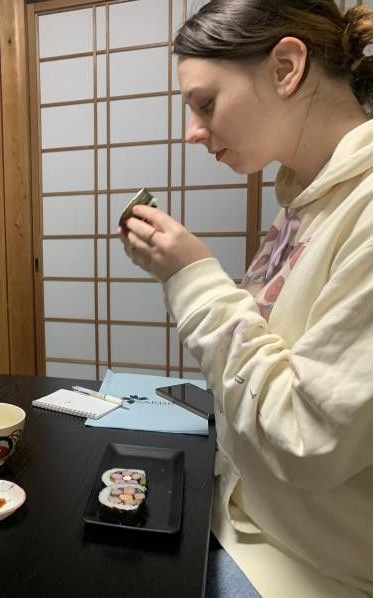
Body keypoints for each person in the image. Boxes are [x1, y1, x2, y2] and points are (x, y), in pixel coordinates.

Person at [119, 1, 372, 595]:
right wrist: (185, 276)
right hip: (242, 514)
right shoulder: (306, 199)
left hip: (307, 565)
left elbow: (308, 438)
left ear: (286, 66)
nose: (192, 131)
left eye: (206, 104)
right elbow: (268, 355)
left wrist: (195, 279)